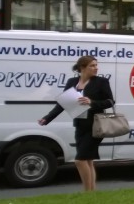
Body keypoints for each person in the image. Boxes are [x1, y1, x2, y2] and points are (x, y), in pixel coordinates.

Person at [37, 55, 114, 192]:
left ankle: (87, 193)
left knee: (80, 160)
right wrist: (47, 118)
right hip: (79, 125)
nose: (96, 68)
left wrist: (92, 102)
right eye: (92, 65)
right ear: (82, 68)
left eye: (96, 65)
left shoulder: (101, 82)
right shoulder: (72, 82)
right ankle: (92, 193)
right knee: (88, 160)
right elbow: (62, 104)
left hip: (95, 126)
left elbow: (110, 102)